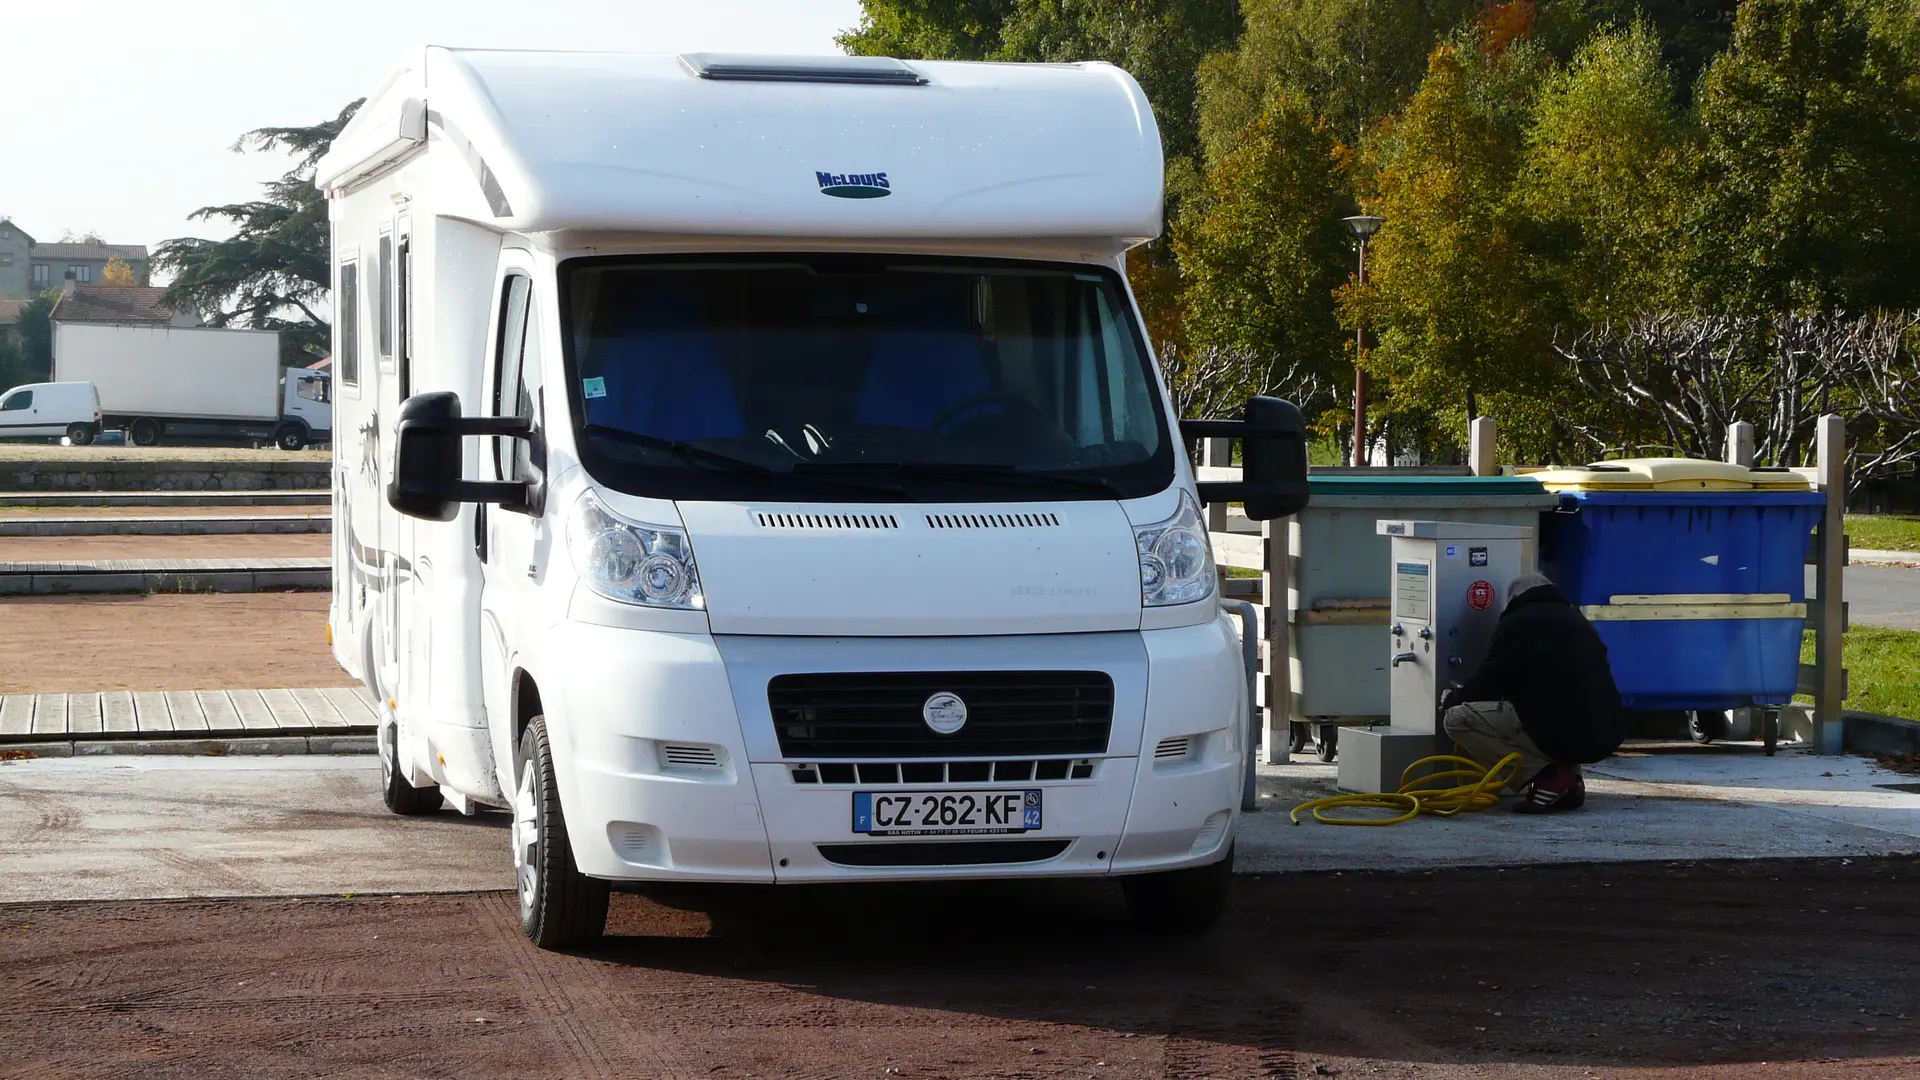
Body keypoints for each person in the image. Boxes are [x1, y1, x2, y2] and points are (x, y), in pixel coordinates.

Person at [1441, 572, 1625, 813]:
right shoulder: (1577, 619)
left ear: (1515, 597)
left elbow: (1489, 682)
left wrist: (1451, 699)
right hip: (1606, 733)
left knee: (1457, 719)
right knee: (1560, 710)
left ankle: (1548, 778)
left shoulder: (1517, 623)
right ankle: (1571, 780)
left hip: (1562, 731)